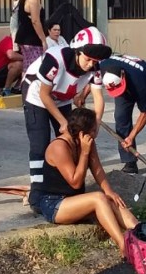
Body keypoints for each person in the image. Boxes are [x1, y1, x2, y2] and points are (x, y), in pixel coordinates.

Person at [22, 26, 112, 205]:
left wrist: (96, 125)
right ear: (77, 52)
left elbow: (98, 99)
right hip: (37, 97)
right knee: (40, 144)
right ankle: (37, 191)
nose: (91, 65)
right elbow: (44, 95)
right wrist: (63, 121)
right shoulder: (55, 59)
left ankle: (67, 183)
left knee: (75, 140)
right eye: (88, 59)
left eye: (95, 61)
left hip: (62, 100)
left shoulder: (95, 68)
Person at [33, 107, 139, 256]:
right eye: (95, 129)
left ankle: (142, 233)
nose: (96, 132)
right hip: (54, 204)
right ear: (83, 133)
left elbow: (97, 169)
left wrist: (110, 192)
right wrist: (84, 152)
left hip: (74, 200)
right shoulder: (59, 147)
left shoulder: (88, 142)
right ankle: (123, 245)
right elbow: (75, 182)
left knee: (110, 199)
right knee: (98, 197)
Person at [14, 0, 48, 75]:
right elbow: (36, 21)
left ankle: (25, 87)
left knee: (27, 65)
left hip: (25, 38)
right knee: (34, 66)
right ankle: (28, 88)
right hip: (31, 39)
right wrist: (43, 40)